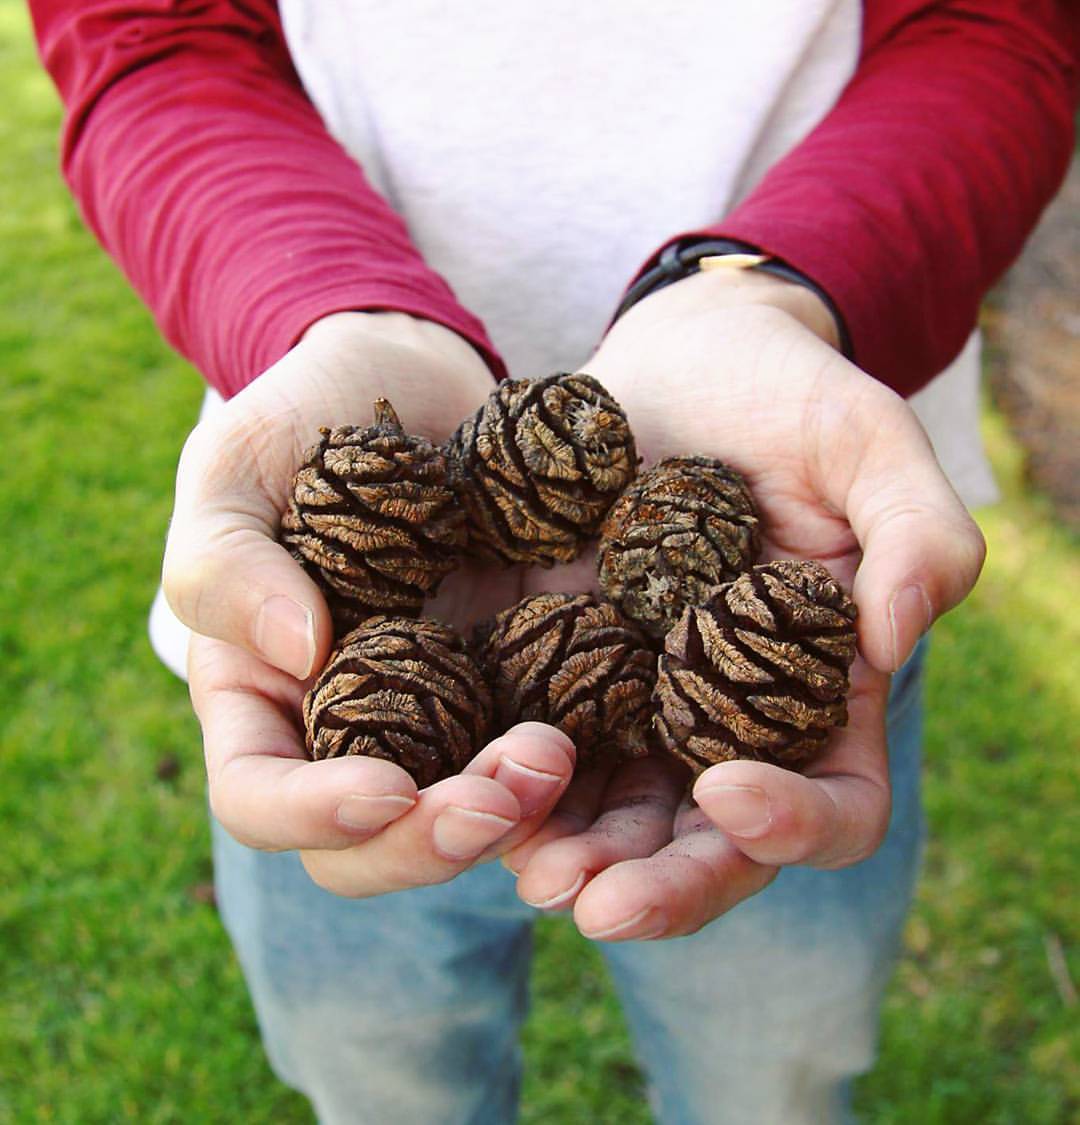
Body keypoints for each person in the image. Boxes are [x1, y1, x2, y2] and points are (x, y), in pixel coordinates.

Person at [31, 2, 1079, 1122]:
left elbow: (999, 28)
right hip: (317, 610)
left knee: (776, 1073)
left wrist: (783, 287)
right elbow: (150, 38)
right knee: (371, 1071)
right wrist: (325, 309)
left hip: (811, 521)